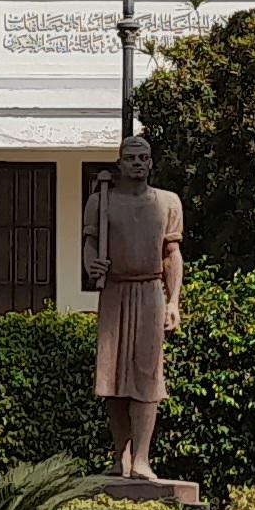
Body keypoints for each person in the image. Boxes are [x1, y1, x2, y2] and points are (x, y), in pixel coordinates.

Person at [83, 134, 185, 481]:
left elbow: (172, 255)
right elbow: (90, 243)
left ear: (151, 163)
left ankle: (142, 458)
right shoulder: (101, 201)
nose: (138, 163)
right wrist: (91, 264)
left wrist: (173, 301)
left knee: (147, 375)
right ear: (120, 163)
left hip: (149, 291)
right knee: (111, 378)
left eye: (143, 158)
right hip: (114, 291)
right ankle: (121, 456)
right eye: (131, 158)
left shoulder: (168, 202)